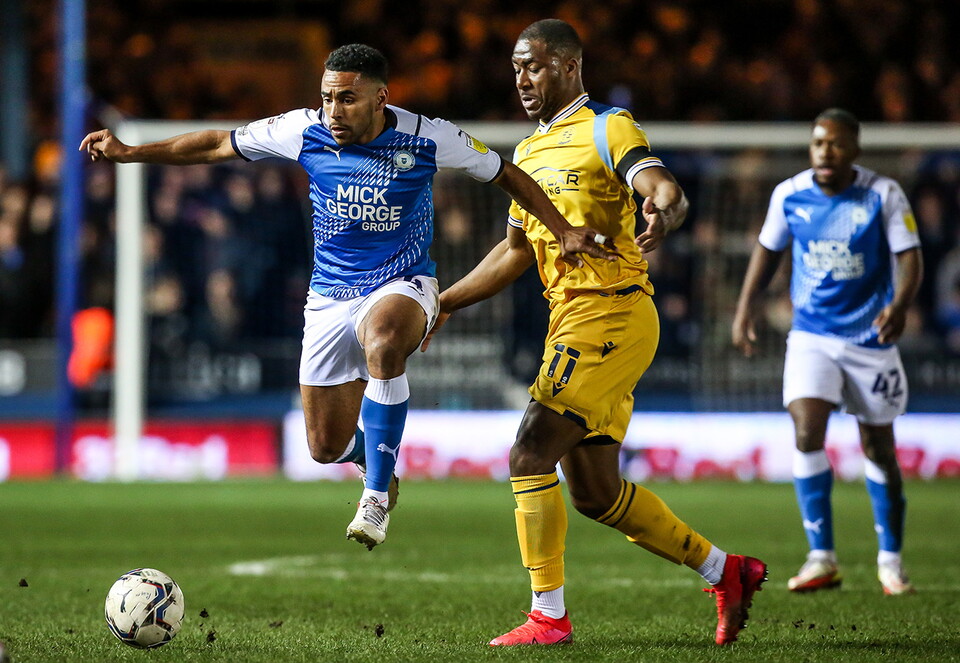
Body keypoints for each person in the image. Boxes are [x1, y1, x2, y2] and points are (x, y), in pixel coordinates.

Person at [81, 43, 613, 551]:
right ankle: (368, 456)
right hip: (329, 297)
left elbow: (507, 174)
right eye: (327, 97)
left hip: (403, 283)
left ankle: (376, 496)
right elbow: (218, 143)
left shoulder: (429, 137)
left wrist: (563, 228)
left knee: (384, 343)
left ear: (381, 99)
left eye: (347, 98)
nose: (333, 109)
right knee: (323, 447)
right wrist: (131, 153)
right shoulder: (302, 129)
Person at [422, 20, 767, 646]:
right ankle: (727, 570)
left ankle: (547, 618)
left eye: (535, 66)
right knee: (595, 492)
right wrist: (446, 301)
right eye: (516, 68)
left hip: (610, 311)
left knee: (530, 451)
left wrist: (667, 206)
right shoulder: (527, 154)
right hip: (576, 318)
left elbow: (659, 184)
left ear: (570, 66)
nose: (523, 80)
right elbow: (514, 252)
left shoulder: (610, 126)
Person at [732, 108, 923, 595]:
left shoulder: (883, 194)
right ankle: (822, 558)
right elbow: (767, 250)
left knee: (878, 447)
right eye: (818, 143)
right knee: (806, 430)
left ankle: (891, 560)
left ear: (855, 150)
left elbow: (910, 256)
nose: (825, 152)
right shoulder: (790, 195)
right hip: (812, 335)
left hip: (870, 339)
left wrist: (900, 305)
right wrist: (745, 309)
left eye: (836, 144)